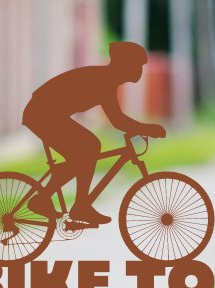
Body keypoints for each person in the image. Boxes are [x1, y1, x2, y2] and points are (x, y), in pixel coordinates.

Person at [22, 41, 166, 225]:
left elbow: (117, 119)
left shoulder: (106, 79)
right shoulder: (103, 80)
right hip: (41, 114)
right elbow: (118, 121)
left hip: (45, 113)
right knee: (89, 147)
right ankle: (76, 206)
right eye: (137, 65)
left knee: (83, 153)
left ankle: (46, 200)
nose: (139, 70)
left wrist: (143, 128)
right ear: (124, 65)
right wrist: (147, 128)